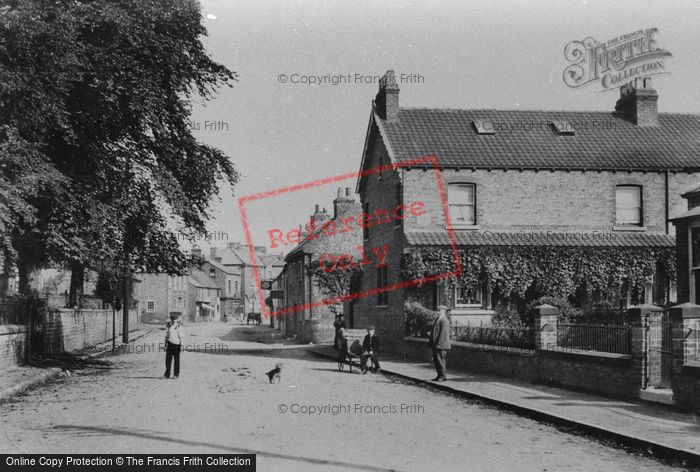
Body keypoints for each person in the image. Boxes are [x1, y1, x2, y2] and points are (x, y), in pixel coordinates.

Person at [428, 305, 451, 381]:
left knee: (441, 360)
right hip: (436, 344)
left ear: (443, 311)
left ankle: (443, 376)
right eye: (437, 311)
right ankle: (439, 375)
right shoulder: (438, 319)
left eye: (439, 311)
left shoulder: (444, 320)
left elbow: (443, 334)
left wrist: (439, 344)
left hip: (441, 344)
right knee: (437, 360)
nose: (437, 312)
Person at [164, 312, 184, 379]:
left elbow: (181, 337)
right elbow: (166, 336)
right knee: (167, 360)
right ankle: (167, 375)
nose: (173, 321)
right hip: (169, 344)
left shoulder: (179, 326)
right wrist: (165, 344)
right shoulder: (169, 325)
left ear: (176, 320)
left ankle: (176, 375)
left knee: (176, 361)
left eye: (174, 320)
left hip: (176, 345)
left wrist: (181, 346)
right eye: (172, 319)